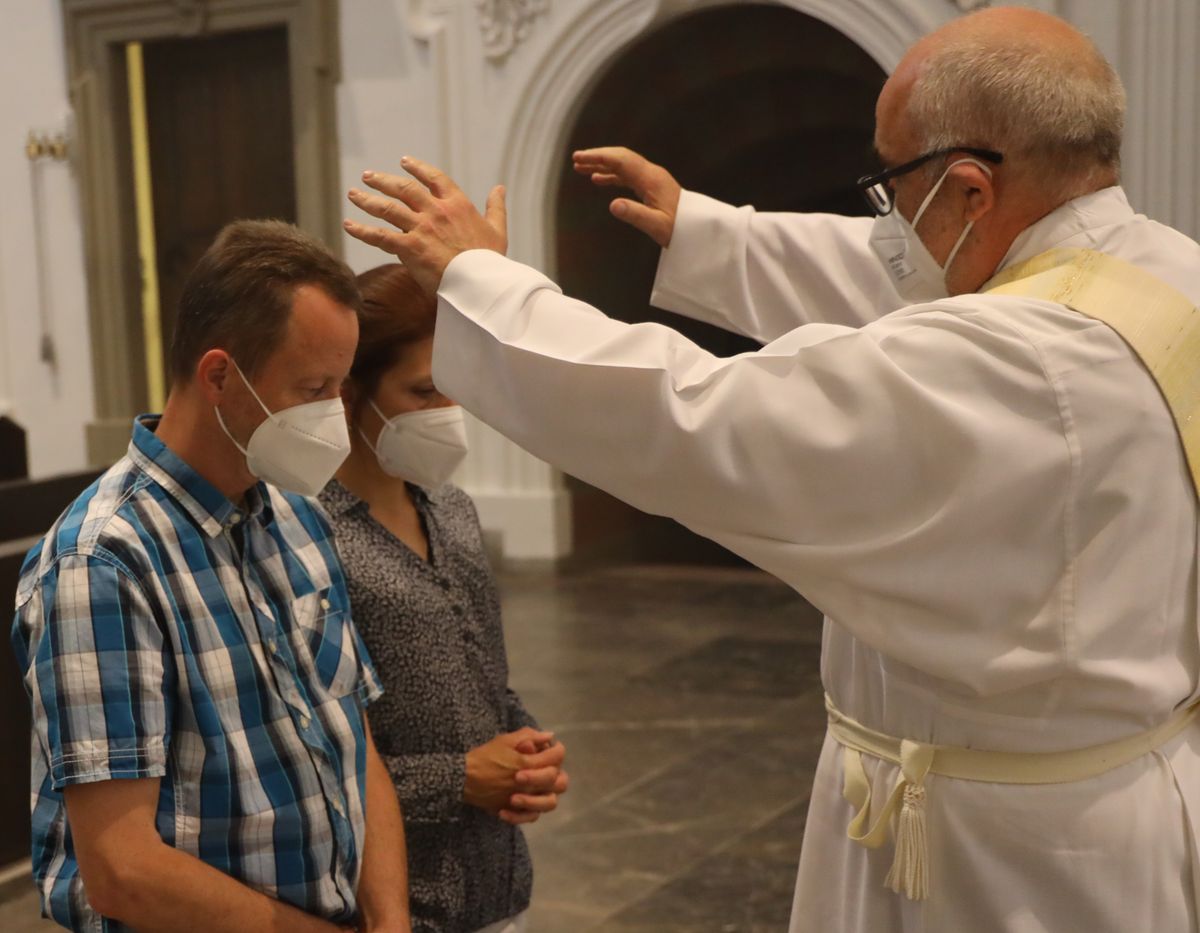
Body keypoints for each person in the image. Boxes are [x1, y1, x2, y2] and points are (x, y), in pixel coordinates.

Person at [342, 7, 1200, 933]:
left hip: (998, 856)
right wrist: (710, 235)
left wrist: (482, 282)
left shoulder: (1012, 363)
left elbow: (699, 418)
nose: (884, 220)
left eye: (887, 181)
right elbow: (915, 279)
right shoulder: (1158, 271)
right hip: (1101, 795)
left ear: (971, 191)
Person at [11, 220, 411, 933]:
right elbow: (122, 868)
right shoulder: (101, 562)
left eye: (339, 387)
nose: (332, 418)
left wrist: (390, 920)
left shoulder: (297, 515)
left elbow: (353, 740)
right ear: (220, 375)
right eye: (312, 386)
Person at [317, 262, 567, 933]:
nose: (447, 413)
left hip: (495, 884)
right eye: (424, 391)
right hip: (396, 904)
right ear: (349, 397)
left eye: (456, 389)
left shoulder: (451, 509)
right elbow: (312, 765)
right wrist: (459, 776)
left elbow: (488, 678)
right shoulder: (311, 537)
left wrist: (528, 750)